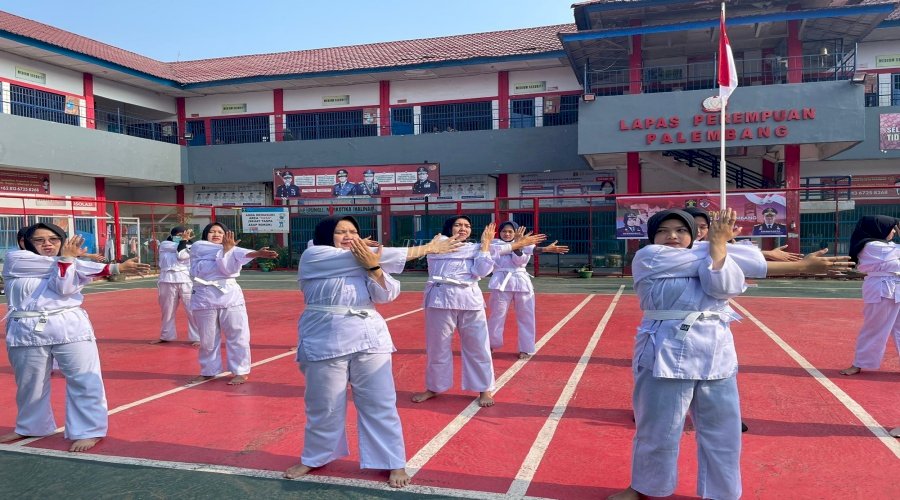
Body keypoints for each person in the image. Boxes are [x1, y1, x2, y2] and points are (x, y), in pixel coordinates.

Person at [610, 209, 854, 500]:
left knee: (723, 431)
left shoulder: (713, 252)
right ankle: (644, 487)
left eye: (681, 230)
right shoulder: (649, 257)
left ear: (693, 235)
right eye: (663, 231)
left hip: (716, 351)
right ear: (652, 237)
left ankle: (722, 493)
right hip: (665, 349)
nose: (672, 236)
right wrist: (797, 264)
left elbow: (723, 285)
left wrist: (720, 247)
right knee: (659, 428)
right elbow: (726, 261)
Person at [283, 214, 462, 487]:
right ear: (325, 236)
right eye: (340, 231)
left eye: (352, 231)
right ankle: (315, 457)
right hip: (324, 337)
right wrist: (428, 249)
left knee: (380, 402)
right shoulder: (315, 255)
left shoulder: (365, 260)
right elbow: (372, 256)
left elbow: (387, 294)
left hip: (370, 337)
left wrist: (375, 269)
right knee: (324, 404)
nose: (348, 236)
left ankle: (392, 461)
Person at [0, 223, 149, 452]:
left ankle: (89, 430)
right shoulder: (16, 260)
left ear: (62, 241)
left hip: (70, 326)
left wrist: (72, 261)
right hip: (26, 330)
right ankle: (31, 426)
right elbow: (65, 268)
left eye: (54, 239)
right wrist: (110, 268)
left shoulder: (70, 264)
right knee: (30, 383)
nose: (47, 244)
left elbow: (63, 288)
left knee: (84, 380)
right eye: (40, 240)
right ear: (25, 243)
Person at [411, 216, 496, 407]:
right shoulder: (436, 245)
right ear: (449, 227)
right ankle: (434, 387)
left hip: (470, 300)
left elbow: (482, 272)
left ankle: (485, 388)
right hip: (440, 299)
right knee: (437, 347)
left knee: (478, 346)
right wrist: (484, 246)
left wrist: (485, 246)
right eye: (458, 225)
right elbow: (442, 253)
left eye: (467, 225)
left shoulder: (476, 248)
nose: (463, 228)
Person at [188, 222, 277, 385]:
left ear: (227, 235)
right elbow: (231, 250)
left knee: (238, 335)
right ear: (205, 235)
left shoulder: (233, 252)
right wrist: (250, 252)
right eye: (212, 232)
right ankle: (208, 370)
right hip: (203, 296)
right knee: (207, 339)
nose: (216, 234)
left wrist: (249, 253)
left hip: (229, 296)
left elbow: (229, 264)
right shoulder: (198, 247)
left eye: (220, 232)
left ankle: (241, 371)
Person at [488, 221, 568, 359]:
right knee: (496, 315)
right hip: (500, 283)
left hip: (521, 282)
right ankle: (490, 345)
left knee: (526, 317)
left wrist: (542, 248)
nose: (507, 234)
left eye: (510, 232)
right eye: (504, 231)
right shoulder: (494, 244)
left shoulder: (525, 243)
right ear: (499, 233)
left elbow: (520, 260)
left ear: (516, 233)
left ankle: (526, 348)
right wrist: (517, 244)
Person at [839, 215, 900, 376]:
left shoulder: (888, 245)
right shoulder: (872, 246)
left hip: (895, 286)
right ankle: (858, 363)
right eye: (891, 228)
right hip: (882, 289)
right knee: (875, 327)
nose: (894, 231)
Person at [151, 226, 200, 346]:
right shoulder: (165, 244)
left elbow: (181, 255)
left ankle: (197, 337)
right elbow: (180, 250)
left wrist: (184, 243)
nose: (181, 237)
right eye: (178, 235)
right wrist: (184, 242)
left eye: (184, 234)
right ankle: (166, 336)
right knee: (167, 310)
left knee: (192, 310)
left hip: (186, 280)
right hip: (166, 280)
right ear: (172, 235)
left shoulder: (191, 247)